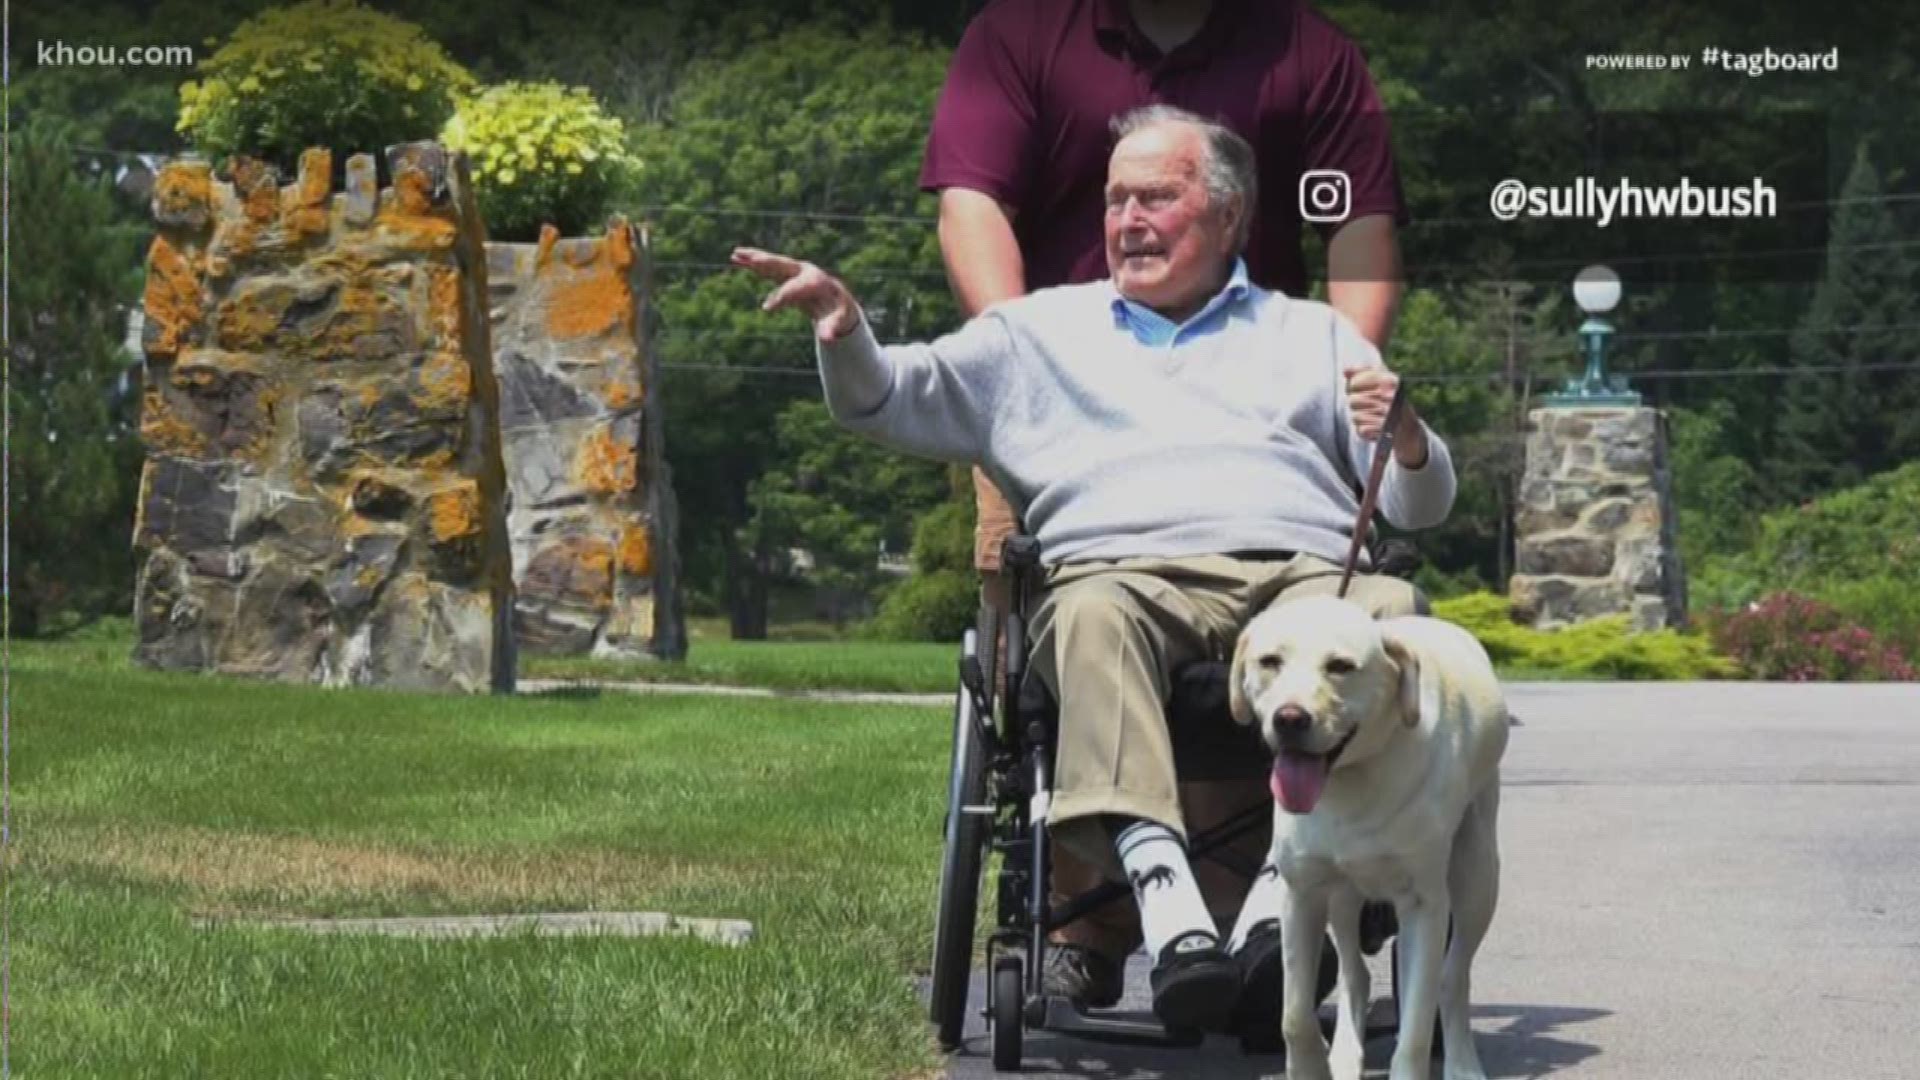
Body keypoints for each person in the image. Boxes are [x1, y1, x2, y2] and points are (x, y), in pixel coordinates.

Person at [734, 107, 1451, 1032]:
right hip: (1124, 575)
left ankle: (1283, 907)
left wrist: (1406, 435)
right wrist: (846, 330)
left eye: (1157, 196)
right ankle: (1174, 916)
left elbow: (1414, 508)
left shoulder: (1309, 335)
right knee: (1087, 615)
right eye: (1116, 199)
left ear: (1230, 217)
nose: (1128, 219)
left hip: (1299, 580)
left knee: (1394, 608)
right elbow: (897, 400)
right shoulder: (1037, 335)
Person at [919, 0, 1409, 1019]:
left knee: (1296, 641)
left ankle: (1270, 913)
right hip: (1072, 402)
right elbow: (973, 202)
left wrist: (1345, 384)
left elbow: (1359, 226)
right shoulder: (1019, 38)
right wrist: (1025, 363)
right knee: (1068, 643)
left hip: (1257, 403)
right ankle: (1085, 921)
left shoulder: (1308, 53)